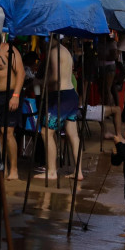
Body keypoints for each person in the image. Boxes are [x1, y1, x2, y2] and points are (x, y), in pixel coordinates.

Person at [43, 37, 83, 181]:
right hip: (71, 94)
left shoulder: (54, 52)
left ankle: (52, 171)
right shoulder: (65, 50)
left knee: (46, 132)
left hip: (61, 96)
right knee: (73, 134)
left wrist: (42, 83)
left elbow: (55, 78)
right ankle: (78, 172)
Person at [0, 37, 24, 180]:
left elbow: (21, 72)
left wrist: (16, 95)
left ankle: (14, 170)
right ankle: (1, 168)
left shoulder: (8, 50)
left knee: (7, 132)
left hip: (10, 95)